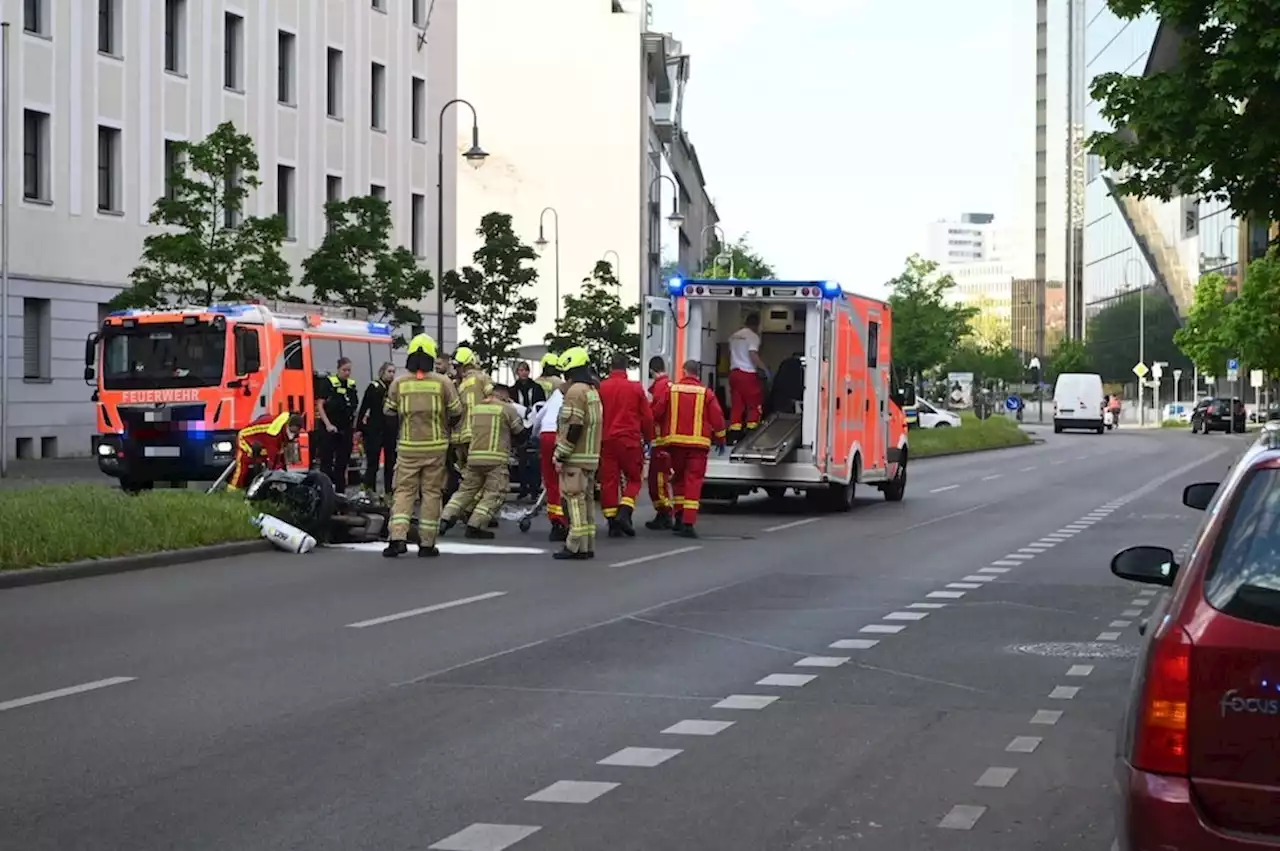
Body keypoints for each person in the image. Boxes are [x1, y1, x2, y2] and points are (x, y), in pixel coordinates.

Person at [382, 334, 463, 559]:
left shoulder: (399, 382)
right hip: (436, 448)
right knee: (431, 493)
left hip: (408, 447)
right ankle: (427, 544)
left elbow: (388, 412)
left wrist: (402, 426)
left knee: (404, 492)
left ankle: (397, 539)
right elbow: (457, 412)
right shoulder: (443, 382)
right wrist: (444, 427)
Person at [651, 359, 726, 539]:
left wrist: (652, 432)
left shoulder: (672, 390)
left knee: (678, 480)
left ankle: (678, 516)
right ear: (697, 373)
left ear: (684, 371)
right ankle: (688, 523)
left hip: (675, 445)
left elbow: (657, 412)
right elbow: (718, 418)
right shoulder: (706, 393)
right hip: (698, 446)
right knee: (693, 482)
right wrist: (721, 438)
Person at [440, 384, 527, 538]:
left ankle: (445, 518)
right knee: (495, 493)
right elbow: (520, 434)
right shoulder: (506, 409)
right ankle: (476, 524)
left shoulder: (477, 409)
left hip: (474, 458)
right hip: (496, 458)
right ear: (504, 395)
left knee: (466, 491)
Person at [552, 346, 603, 560]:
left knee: (573, 501)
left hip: (576, 457)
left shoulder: (575, 392)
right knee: (587, 502)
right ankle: (587, 545)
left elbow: (574, 426)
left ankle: (574, 546)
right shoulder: (592, 391)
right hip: (591, 457)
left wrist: (561, 454)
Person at [598, 353, 654, 537]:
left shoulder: (601, 388)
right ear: (626, 368)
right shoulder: (635, 388)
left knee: (609, 482)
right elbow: (646, 417)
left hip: (606, 441)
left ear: (610, 367)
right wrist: (649, 437)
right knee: (634, 478)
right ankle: (625, 510)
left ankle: (612, 522)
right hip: (629, 440)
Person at [531, 356, 569, 541]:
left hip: (546, 434)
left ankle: (556, 521)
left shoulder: (555, 395)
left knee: (551, 481)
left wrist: (533, 436)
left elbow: (539, 418)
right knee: (566, 480)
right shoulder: (579, 394)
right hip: (563, 434)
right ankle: (567, 520)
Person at [226, 412, 305, 491]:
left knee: (265, 464)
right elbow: (273, 458)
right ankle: (232, 490)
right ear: (289, 426)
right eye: (293, 431)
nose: (294, 435)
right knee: (243, 464)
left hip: (260, 443)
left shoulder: (286, 429)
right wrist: (279, 473)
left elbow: (280, 455)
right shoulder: (274, 432)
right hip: (245, 438)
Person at [316, 356, 359, 489]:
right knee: (326, 462)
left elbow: (354, 407)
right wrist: (328, 424)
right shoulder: (329, 383)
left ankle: (340, 493)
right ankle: (325, 492)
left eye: (349, 370)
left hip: (345, 428)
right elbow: (320, 404)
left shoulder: (351, 385)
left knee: (342, 463)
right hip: (330, 428)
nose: (347, 373)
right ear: (338, 369)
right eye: (344, 370)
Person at [644, 356, 676, 530]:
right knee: (658, 479)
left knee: (658, 479)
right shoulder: (668, 385)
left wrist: (646, 416)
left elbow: (657, 411)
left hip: (661, 440)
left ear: (651, 370)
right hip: (665, 439)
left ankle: (665, 511)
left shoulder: (662, 387)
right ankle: (663, 511)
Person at [356, 362, 398, 493]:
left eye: (393, 372)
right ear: (382, 372)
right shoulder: (374, 387)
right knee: (373, 463)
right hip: (375, 429)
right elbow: (364, 407)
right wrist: (360, 428)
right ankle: (370, 490)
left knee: (390, 462)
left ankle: (388, 491)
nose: (391, 375)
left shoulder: (394, 388)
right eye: (389, 371)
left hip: (390, 429)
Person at [727, 312, 767, 441]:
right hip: (748, 373)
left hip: (734, 373)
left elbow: (731, 353)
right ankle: (752, 431)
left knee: (737, 404)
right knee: (754, 404)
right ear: (757, 324)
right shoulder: (753, 337)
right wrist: (764, 369)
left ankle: (734, 433)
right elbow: (752, 354)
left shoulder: (734, 336)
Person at [511, 361, 546, 501]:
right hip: (519, 426)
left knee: (534, 459)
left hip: (533, 426)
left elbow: (541, 406)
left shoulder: (537, 388)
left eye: (526, 370)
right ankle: (523, 487)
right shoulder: (513, 389)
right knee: (521, 458)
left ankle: (534, 488)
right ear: (517, 372)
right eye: (521, 370)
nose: (523, 373)